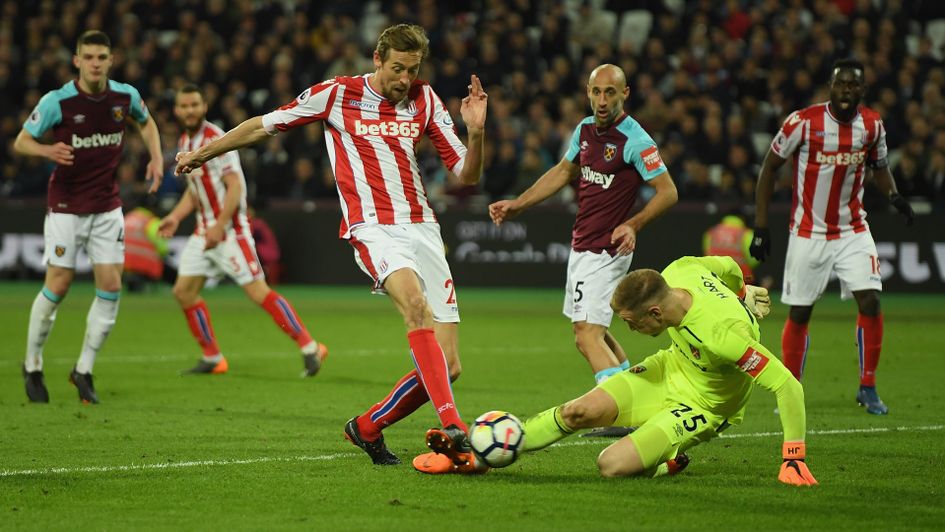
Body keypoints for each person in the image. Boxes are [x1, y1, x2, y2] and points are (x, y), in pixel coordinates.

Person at [174, 24, 488, 467]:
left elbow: (467, 175)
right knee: (415, 308)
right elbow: (263, 126)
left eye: (412, 70)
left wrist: (475, 133)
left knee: (449, 365)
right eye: (397, 68)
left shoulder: (425, 99)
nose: (404, 79)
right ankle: (453, 425)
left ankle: (367, 427)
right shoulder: (337, 94)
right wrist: (202, 153)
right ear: (377, 60)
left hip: (423, 229)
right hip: (372, 227)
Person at [416, 256, 818, 487]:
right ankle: (472, 457)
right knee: (578, 412)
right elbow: (728, 265)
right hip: (668, 369)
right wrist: (743, 289)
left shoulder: (723, 336)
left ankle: (668, 458)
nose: (629, 329)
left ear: (655, 312)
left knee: (610, 465)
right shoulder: (679, 270)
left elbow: (787, 385)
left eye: (631, 321)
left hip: (708, 404)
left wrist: (793, 458)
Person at [488, 64, 678, 436]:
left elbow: (668, 192)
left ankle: (615, 413)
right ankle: (635, 405)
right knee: (599, 332)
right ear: (588, 93)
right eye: (596, 92)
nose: (602, 100)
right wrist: (519, 205)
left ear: (625, 94)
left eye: (610, 92)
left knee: (585, 334)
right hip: (583, 246)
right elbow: (562, 172)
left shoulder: (635, 140)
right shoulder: (585, 131)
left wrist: (633, 224)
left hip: (607, 251)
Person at [750, 58, 916, 415]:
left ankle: (868, 387)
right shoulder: (802, 122)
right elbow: (769, 169)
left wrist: (894, 197)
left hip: (853, 229)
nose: (846, 91)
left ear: (862, 90)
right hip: (808, 232)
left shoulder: (872, 126)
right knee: (800, 312)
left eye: (853, 85)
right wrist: (761, 226)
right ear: (831, 86)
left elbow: (881, 168)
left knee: (870, 300)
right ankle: (792, 390)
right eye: (841, 84)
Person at [14, 30, 163, 404]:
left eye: (102, 56)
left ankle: (83, 370)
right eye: (89, 57)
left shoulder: (124, 96)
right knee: (59, 285)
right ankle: (32, 365)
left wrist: (157, 157)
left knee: (111, 286)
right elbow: (21, 141)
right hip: (65, 207)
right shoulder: (58, 101)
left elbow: (146, 122)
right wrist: (48, 151)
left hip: (107, 207)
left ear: (110, 60)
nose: (96, 63)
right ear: (77, 61)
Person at [158, 84, 327, 377]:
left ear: (204, 106)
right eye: (184, 106)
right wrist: (174, 216)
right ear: (176, 110)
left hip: (230, 232)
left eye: (194, 105)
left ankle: (311, 346)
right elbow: (195, 190)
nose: (189, 110)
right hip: (204, 232)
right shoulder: (188, 139)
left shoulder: (216, 139)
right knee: (184, 291)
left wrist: (220, 226)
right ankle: (213, 358)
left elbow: (235, 185)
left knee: (258, 292)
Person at [123, 195, 174, 293]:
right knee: (169, 270)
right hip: (143, 261)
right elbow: (161, 246)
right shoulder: (151, 220)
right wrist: (164, 253)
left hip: (123, 260)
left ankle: (134, 281)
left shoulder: (128, 217)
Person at [702, 211, 764, 287]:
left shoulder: (711, 232)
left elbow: (706, 253)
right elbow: (754, 259)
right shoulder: (747, 233)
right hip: (742, 278)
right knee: (752, 278)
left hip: (714, 277)